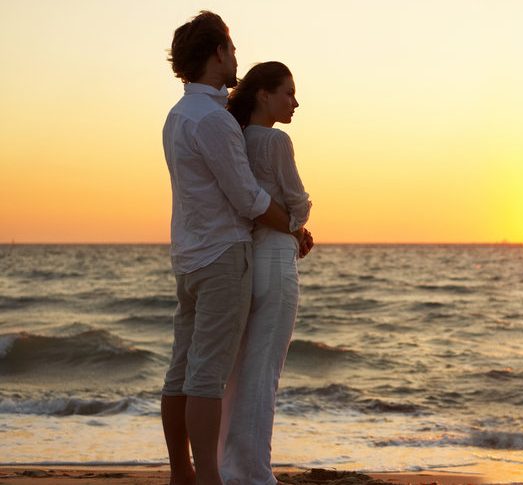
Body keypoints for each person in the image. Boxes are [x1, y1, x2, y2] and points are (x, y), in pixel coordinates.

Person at [161, 12, 311, 485]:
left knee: (181, 371)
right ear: (217, 53)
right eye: (230, 46)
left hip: (187, 255)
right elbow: (246, 197)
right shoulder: (214, 122)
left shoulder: (177, 116)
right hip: (223, 256)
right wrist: (293, 226)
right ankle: (208, 477)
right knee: (207, 377)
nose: (236, 56)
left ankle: (181, 473)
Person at [218, 61, 311, 485]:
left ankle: (232, 467)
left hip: (248, 260)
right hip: (276, 262)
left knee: (240, 373)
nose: (295, 101)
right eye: (288, 92)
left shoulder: (235, 138)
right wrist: (300, 223)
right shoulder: (276, 140)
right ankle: (253, 474)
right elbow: (297, 204)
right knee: (264, 374)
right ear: (264, 95)